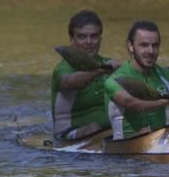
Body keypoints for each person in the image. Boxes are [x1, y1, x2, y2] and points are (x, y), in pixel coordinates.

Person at [51, 10, 122, 138]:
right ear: (72, 39)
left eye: (94, 36)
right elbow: (69, 83)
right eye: (82, 37)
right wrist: (100, 71)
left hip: (108, 132)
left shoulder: (108, 63)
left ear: (100, 38)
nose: (89, 42)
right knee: (93, 128)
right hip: (68, 135)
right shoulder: (63, 68)